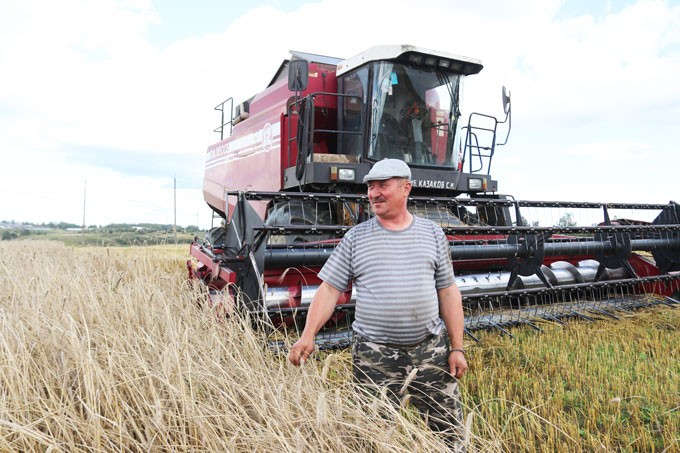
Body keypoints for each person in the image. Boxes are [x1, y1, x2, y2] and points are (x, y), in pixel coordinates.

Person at [288, 158, 467, 448]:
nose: (373, 193)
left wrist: (456, 347)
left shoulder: (433, 234)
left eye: (382, 186)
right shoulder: (356, 238)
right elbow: (330, 289)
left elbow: (448, 291)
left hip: (430, 351)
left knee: (449, 435)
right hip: (374, 358)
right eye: (370, 187)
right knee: (372, 437)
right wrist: (308, 334)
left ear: (406, 188)